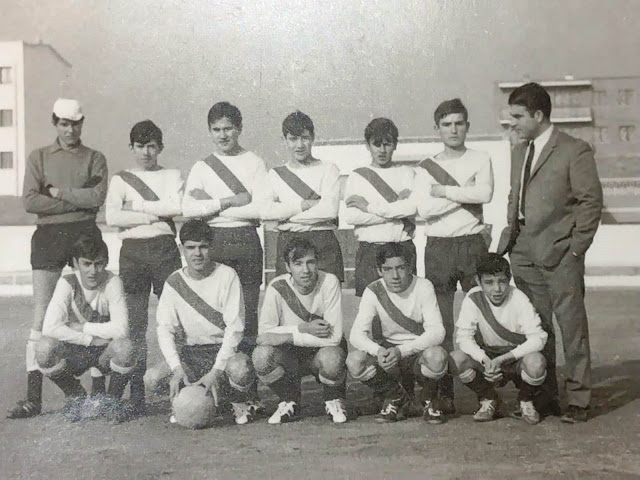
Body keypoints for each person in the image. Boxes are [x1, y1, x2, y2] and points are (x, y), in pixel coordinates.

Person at [497, 82, 603, 423]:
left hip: (560, 253)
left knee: (571, 327)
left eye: (517, 116)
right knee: (537, 329)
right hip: (523, 251)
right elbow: (516, 196)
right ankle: (545, 396)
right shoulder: (519, 150)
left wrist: (575, 250)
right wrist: (511, 238)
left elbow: (591, 203)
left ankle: (579, 400)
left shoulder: (575, 149)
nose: (512, 123)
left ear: (538, 115)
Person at [9, 98, 108, 419]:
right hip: (49, 237)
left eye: (75, 123)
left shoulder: (95, 158)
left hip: (86, 234)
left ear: (82, 123)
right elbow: (29, 201)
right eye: (64, 124)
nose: (70, 130)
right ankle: (32, 398)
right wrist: (77, 202)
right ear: (55, 123)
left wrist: (57, 193)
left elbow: (97, 198)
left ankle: (98, 396)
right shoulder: (38, 156)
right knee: (42, 315)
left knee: (94, 310)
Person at [413, 98, 494, 414]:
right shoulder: (425, 167)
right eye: (446, 124)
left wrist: (444, 191)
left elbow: (485, 194)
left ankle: (486, 394)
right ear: (437, 129)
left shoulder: (481, 157)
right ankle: (443, 395)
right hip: (438, 246)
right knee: (440, 324)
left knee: (482, 321)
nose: (453, 129)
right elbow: (424, 209)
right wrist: (465, 192)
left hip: (472, 243)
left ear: (468, 126)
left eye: (459, 123)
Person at [104, 120, 183, 416]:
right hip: (133, 254)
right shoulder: (120, 179)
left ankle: (182, 384)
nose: (146, 152)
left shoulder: (173, 174)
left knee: (174, 319)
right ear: (131, 148)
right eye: (140, 146)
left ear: (160, 148)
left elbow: (176, 207)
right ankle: (137, 396)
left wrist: (134, 209)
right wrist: (153, 215)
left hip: (165, 251)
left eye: (152, 146)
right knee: (136, 325)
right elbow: (112, 217)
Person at [182, 102, 267, 357]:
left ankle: (248, 385)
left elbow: (260, 209)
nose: (223, 135)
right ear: (210, 131)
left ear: (239, 129)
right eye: (216, 129)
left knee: (248, 311)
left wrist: (210, 206)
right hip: (214, 241)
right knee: (218, 311)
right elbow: (188, 209)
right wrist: (229, 201)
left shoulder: (254, 163)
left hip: (246, 240)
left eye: (228, 128)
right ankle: (220, 378)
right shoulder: (202, 167)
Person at [156, 220, 256, 425]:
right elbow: (165, 329)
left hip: (223, 354)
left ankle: (238, 401)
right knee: (153, 378)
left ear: (211, 247)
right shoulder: (173, 282)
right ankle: (188, 401)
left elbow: (235, 328)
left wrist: (216, 371)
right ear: (181, 249)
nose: (197, 253)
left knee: (240, 369)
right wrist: (176, 368)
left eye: (203, 246)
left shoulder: (227, 275)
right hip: (191, 355)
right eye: (190, 247)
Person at [34, 235, 134, 420]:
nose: (93, 271)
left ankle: (111, 401)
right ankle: (75, 395)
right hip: (76, 353)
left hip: (104, 353)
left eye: (99, 264)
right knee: (44, 348)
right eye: (86, 264)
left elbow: (121, 330)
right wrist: (89, 340)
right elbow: (49, 328)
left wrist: (83, 327)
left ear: (106, 263)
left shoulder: (113, 282)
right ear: (75, 263)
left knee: (125, 347)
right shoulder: (67, 282)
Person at [347, 243, 447, 424]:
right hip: (389, 356)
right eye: (387, 269)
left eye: (400, 268)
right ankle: (395, 396)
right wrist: (378, 351)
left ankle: (428, 399)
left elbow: (437, 331)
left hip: (417, 353)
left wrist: (402, 350)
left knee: (437, 356)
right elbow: (356, 334)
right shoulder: (373, 290)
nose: (395, 276)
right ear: (379, 270)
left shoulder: (423, 286)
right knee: (355, 361)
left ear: (410, 267)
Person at [252, 238, 348, 424]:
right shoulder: (277, 287)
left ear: (317, 263)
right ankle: (289, 399)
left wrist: (285, 336)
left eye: (310, 262)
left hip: (321, 351)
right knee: (261, 356)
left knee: (332, 358)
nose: (305, 270)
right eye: (298, 264)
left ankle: (333, 398)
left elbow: (334, 338)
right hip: (291, 354)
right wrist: (301, 329)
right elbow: (264, 336)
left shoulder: (329, 282)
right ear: (287, 267)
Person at [450, 253, 548, 425]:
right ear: (478, 281)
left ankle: (525, 401)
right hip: (488, 355)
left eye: (502, 281)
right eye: (489, 282)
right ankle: (488, 399)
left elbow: (538, 338)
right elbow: (464, 338)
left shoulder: (518, 297)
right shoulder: (473, 297)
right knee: (457, 359)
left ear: (509, 279)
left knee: (536, 362)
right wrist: (485, 359)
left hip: (515, 357)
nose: (497, 289)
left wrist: (504, 358)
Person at [261, 111, 344, 282]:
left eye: (305, 138)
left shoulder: (329, 169)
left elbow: (329, 210)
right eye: (293, 139)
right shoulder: (275, 175)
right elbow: (266, 212)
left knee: (326, 300)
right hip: (288, 243)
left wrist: (287, 219)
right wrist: (304, 205)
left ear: (313, 138)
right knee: (289, 301)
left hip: (322, 242)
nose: (299, 145)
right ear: (284, 141)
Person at [343, 118, 417, 297]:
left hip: (402, 248)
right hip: (370, 250)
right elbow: (352, 217)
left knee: (407, 306)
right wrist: (395, 210)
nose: (382, 150)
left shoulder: (407, 173)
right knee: (371, 311)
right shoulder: (357, 176)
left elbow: (412, 208)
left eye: (387, 144)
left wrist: (367, 207)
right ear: (368, 145)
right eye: (377, 144)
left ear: (395, 145)